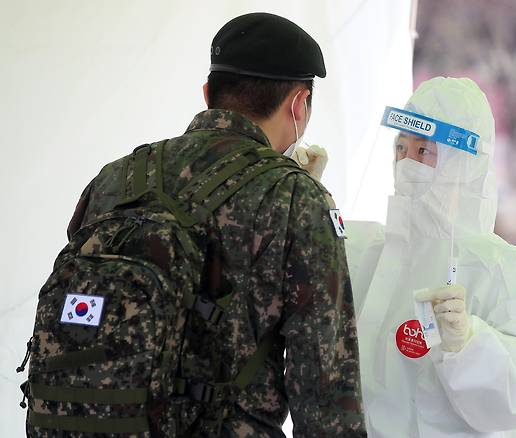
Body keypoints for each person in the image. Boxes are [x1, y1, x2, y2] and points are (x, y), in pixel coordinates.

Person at [64, 12, 365, 437]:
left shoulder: (117, 177)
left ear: (208, 94)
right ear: (299, 104)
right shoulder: (297, 197)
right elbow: (325, 388)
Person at [344, 77, 516, 437]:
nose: (406, 164)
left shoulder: (503, 269)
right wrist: (308, 207)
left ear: (463, 162)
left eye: (423, 152)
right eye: (400, 149)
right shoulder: (369, 252)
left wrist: (469, 344)